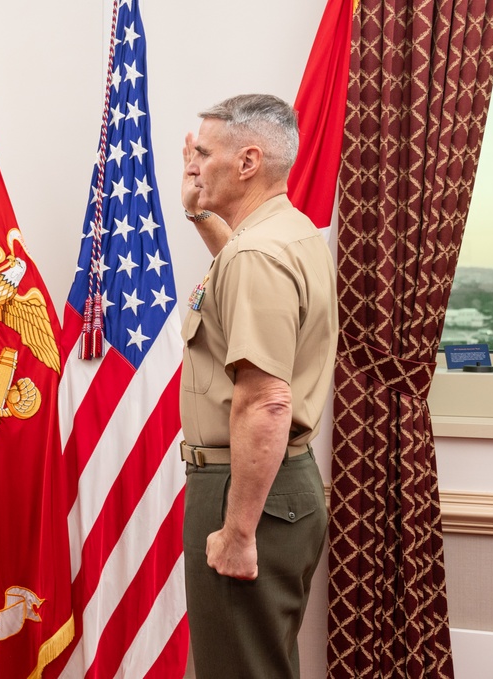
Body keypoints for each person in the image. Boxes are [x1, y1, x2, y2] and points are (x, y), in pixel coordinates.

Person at [178, 94, 338, 678]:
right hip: (273, 484)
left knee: (239, 670)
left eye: (203, 153)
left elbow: (267, 401)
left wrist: (239, 530)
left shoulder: (258, 254)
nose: (192, 164)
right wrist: (200, 213)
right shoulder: (288, 234)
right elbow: (239, 283)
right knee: (257, 663)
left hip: (245, 489)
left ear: (247, 162)